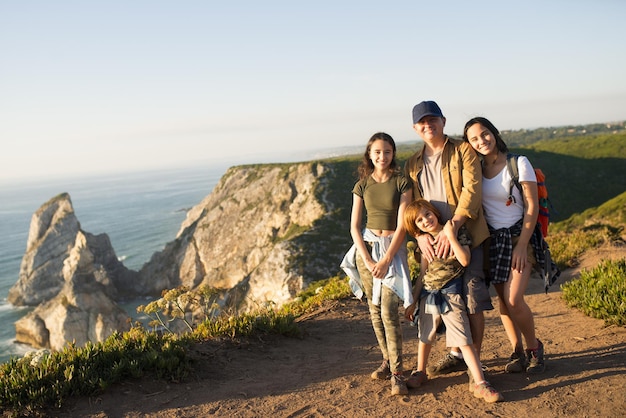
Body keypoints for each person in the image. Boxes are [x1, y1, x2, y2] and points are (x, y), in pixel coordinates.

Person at [404, 101, 493, 377]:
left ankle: (472, 364)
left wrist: (451, 227)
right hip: (431, 242)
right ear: (416, 128)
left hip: (467, 235)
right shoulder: (412, 164)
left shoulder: (462, 150)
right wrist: (419, 236)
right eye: (422, 122)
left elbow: (472, 190)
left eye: (433, 120)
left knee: (472, 299)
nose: (428, 125)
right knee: (441, 300)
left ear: (443, 121)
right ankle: (457, 355)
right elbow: (413, 207)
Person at [463, 116, 545, 373]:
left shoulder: (518, 162)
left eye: (484, 134)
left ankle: (534, 349)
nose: (481, 141)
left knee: (514, 298)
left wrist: (522, 246)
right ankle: (517, 351)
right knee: (503, 301)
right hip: (493, 241)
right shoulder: (475, 169)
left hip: (521, 236)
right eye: (474, 139)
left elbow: (531, 206)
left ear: (494, 133)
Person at [403, 199, 503, 403]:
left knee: (463, 337)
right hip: (429, 292)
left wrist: (450, 236)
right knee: (425, 335)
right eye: (419, 220)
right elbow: (423, 273)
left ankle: (480, 382)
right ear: (416, 227)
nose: (426, 221)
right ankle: (420, 371)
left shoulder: (457, 231)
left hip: (451, 292)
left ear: (435, 213)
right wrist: (413, 301)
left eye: (427, 215)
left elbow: (465, 260)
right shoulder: (424, 242)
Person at [340, 132, 414, 396]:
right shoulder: (362, 185)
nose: (383, 156)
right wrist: (369, 259)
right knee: (374, 310)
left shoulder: (402, 182)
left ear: (393, 154)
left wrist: (386, 259)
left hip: (392, 250)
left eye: (387, 151)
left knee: (388, 312)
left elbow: (403, 224)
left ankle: (398, 374)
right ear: (369, 155)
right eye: (378, 152)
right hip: (367, 251)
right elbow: (354, 227)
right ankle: (387, 360)